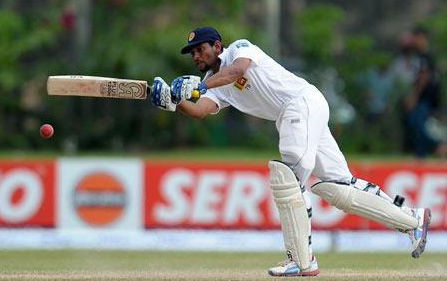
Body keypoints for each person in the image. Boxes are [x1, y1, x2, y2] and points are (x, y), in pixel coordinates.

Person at [150, 26, 431, 277]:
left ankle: (301, 260)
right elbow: (200, 110)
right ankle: (413, 220)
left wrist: (197, 86)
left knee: (289, 179)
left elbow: (237, 71)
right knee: (339, 186)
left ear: (217, 46)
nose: (196, 56)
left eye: (200, 49)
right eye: (192, 54)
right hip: (299, 112)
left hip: (300, 103)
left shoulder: (239, 49)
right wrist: (173, 103)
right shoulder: (217, 86)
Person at [403, 27, 447, 158]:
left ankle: (440, 143)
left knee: (418, 124)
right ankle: (420, 154)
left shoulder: (424, 56)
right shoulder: (421, 56)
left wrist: (413, 97)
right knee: (418, 125)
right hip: (427, 97)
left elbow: (424, 77)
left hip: (425, 97)